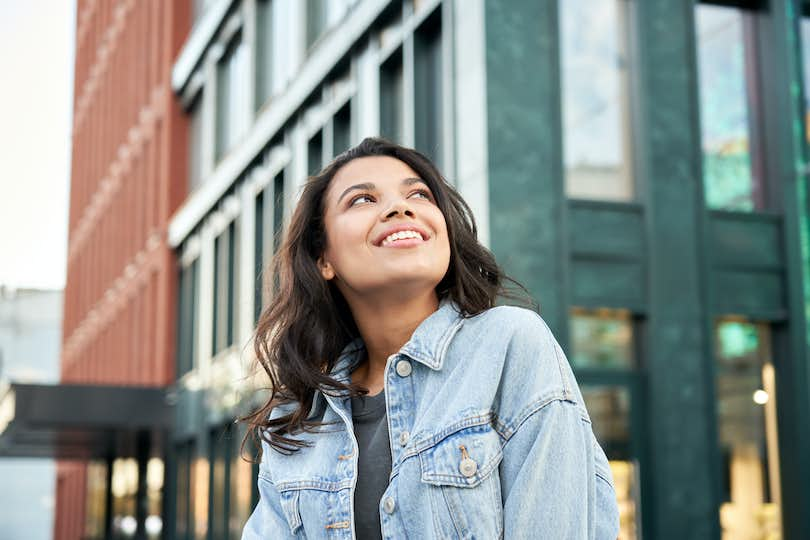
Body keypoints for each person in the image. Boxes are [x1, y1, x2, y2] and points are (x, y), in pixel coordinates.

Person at [241, 137, 620, 539]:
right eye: (362, 200)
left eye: (419, 194)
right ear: (324, 259)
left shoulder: (510, 345)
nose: (400, 207)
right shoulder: (295, 419)